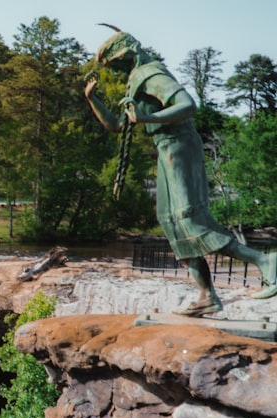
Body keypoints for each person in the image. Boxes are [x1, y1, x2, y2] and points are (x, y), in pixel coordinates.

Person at [84, 26, 277, 317]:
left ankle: (264, 260)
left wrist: (147, 116)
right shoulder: (137, 79)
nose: (116, 72)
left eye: (118, 66)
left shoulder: (151, 74)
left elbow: (188, 105)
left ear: (129, 55)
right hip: (165, 150)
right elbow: (118, 125)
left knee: (190, 220)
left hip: (180, 147)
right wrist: (92, 98)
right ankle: (206, 295)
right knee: (170, 221)